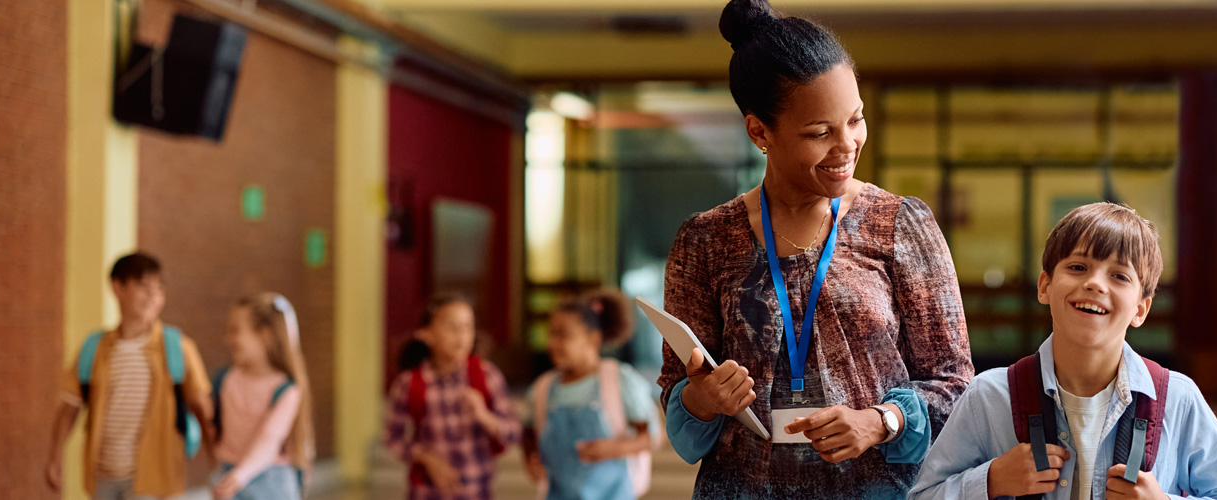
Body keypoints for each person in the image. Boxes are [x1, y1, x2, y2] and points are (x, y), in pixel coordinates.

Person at [656, 1, 975, 497]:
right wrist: (704, 398)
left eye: (856, 119)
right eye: (820, 132)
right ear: (759, 131)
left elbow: (954, 383)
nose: (847, 145)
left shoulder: (900, 225)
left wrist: (881, 420)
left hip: (876, 488)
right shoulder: (706, 240)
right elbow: (680, 396)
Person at [908, 203, 1217, 500]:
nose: (1094, 283)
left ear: (1141, 309)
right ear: (1045, 286)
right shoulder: (989, 397)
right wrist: (992, 480)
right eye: (1078, 267)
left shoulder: (1178, 400)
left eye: (1119, 276)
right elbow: (923, 495)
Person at [45, 252, 214, 499]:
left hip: (153, 479)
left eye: (159, 289)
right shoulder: (95, 348)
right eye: (144, 287)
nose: (153, 297)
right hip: (102, 475)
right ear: (118, 287)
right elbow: (69, 408)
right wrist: (55, 457)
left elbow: (202, 408)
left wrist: (216, 462)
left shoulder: (177, 347)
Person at [524, 288, 661, 499]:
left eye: (563, 335)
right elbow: (528, 431)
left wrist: (613, 448)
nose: (552, 343)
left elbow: (652, 437)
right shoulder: (542, 389)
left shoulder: (619, 380)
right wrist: (531, 460)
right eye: (551, 334)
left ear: (593, 339)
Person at [385, 292, 521, 500]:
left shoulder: (487, 376)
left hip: (477, 492)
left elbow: (514, 432)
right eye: (451, 327)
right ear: (426, 334)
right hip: (427, 493)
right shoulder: (408, 384)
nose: (461, 335)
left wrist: (484, 416)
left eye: (467, 327)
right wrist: (426, 458)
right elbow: (392, 438)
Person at [207, 292, 315, 500]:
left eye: (235, 331)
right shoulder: (224, 379)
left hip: (271, 483)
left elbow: (269, 441)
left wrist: (238, 477)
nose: (228, 339)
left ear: (264, 335)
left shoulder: (286, 389)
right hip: (230, 476)